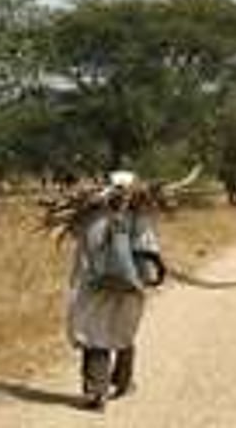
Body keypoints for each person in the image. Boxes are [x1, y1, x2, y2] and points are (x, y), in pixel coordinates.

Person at [66, 171, 165, 411]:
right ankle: (122, 382)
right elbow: (149, 253)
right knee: (123, 333)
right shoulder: (139, 217)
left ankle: (96, 392)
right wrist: (147, 278)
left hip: (94, 286)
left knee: (95, 335)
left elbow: (80, 246)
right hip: (130, 286)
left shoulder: (89, 216)